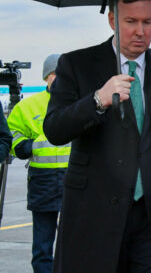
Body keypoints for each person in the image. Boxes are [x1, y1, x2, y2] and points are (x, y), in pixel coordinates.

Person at [43, 0, 151, 272]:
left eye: (148, 22)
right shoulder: (76, 64)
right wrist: (98, 99)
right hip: (95, 212)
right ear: (112, 20)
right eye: (131, 21)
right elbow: (55, 129)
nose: (140, 31)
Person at [7, 54, 70, 273]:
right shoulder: (28, 106)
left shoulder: (77, 102)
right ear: (47, 77)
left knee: (74, 244)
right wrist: (26, 146)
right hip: (42, 182)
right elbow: (11, 132)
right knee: (43, 247)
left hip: (74, 181)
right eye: (55, 74)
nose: (60, 79)